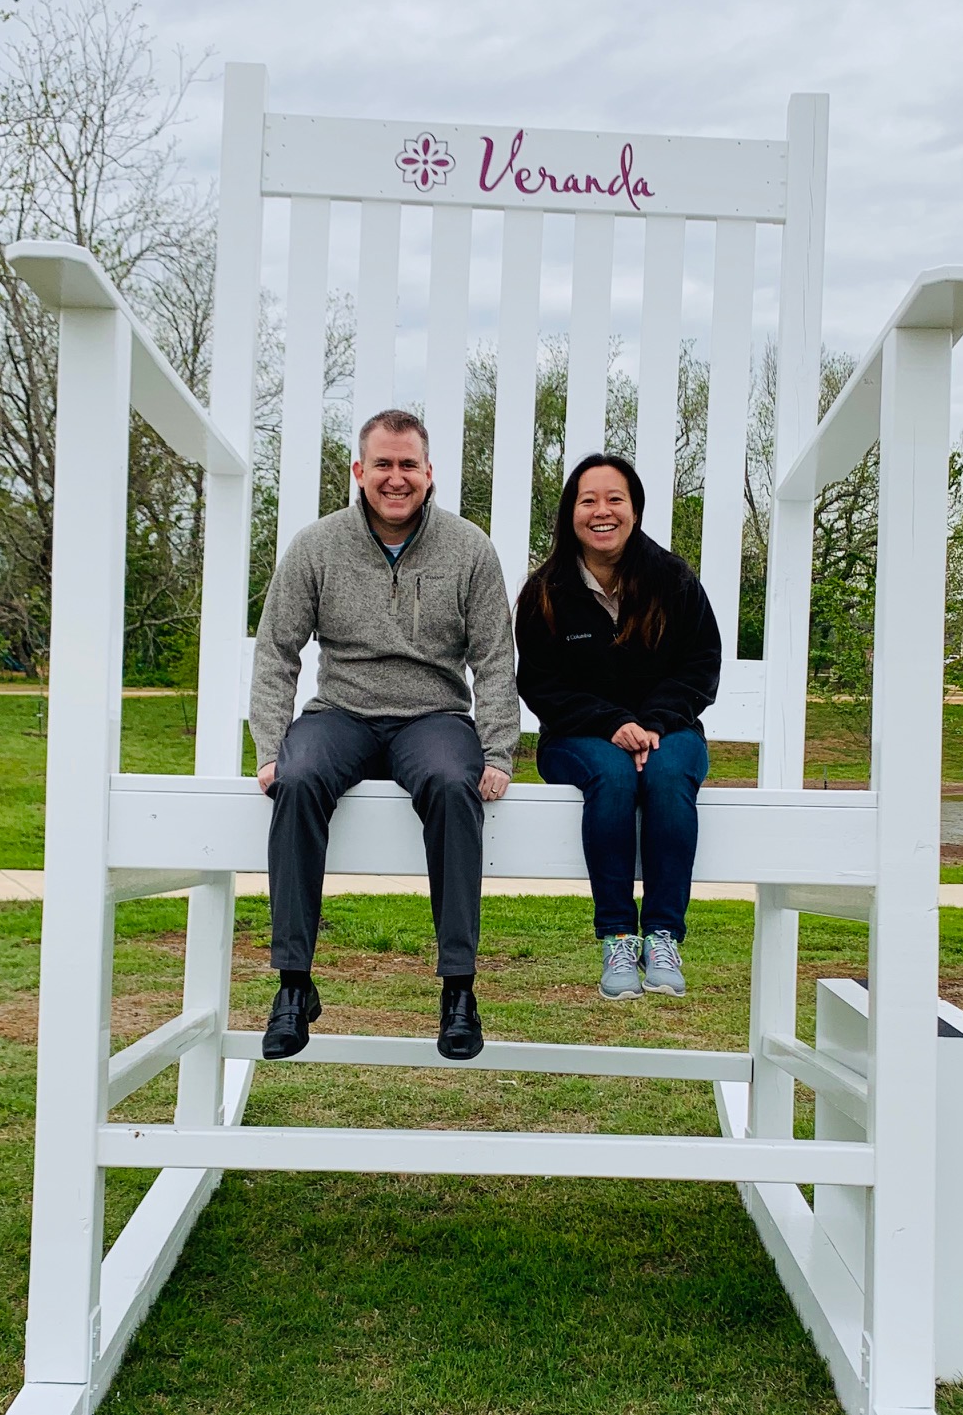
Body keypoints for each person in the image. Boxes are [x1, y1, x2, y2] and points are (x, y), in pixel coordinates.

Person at [250, 408, 518, 1060]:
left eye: (408, 466)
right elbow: (276, 650)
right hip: (341, 711)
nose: (395, 478)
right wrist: (268, 747)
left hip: (433, 718)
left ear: (428, 473)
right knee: (299, 777)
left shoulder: (469, 548)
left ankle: (458, 989)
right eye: (382, 465)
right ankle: (293, 985)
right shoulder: (316, 546)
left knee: (457, 786)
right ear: (359, 471)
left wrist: (499, 750)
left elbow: (495, 657)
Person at [515, 453, 720, 1000]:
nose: (601, 511)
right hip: (576, 738)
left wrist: (650, 724)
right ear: (570, 512)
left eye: (615, 500)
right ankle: (616, 937)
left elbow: (701, 667)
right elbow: (540, 685)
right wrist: (614, 724)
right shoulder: (544, 593)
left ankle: (663, 935)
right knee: (613, 774)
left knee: (668, 775)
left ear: (634, 510)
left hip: (668, 731)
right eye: (588, 500)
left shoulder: (673, 580)